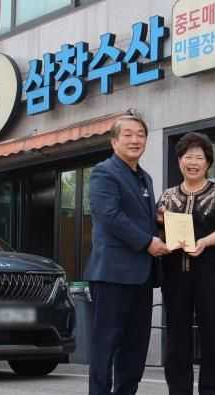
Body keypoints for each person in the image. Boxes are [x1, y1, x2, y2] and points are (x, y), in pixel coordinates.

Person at [84, 114, 169, 395]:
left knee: (135, 348)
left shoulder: (145, 177)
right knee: (105, 345)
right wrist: (147, 242)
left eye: (141, 135)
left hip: (142, 275)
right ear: (114, 141)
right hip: (112, 274)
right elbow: (109, 215)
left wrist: (157, 220)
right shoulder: (104, 172)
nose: (135, 140)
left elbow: (136, 216)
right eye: (128, 134)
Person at [157, 132, 215, 395]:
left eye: (199, 157)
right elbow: (156, 232)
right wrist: (161, 225)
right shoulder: (167, 197)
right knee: (176, 338)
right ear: (179, 161)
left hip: (211, 277)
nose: (192, 162)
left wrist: (205, 241)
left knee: (212, 336)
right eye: (187, 157)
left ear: (208, 163)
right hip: (175, 276)